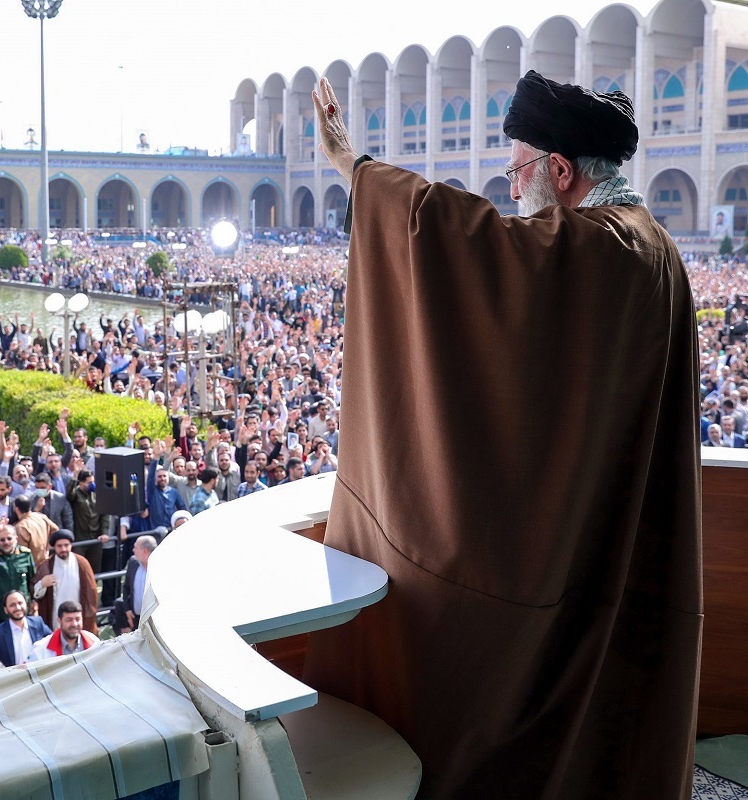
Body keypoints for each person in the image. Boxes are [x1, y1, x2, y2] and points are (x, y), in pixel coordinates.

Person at [302, 72, 701, 799]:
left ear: (560, 170)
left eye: (518, 170)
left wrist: (353, 167)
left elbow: (473, 246)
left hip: (578, 547)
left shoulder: (601, 248)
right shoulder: (652, 244)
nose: (511, 190)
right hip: (607, 527)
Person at [32, 530, 97, 634]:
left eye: (66, 545)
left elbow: (91, 592)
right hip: (56, 617)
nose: (63, 549)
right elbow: (36, 593)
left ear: (71, 545)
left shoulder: (82, 563)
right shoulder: (46, 566)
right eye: (59, 546)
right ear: (54, 547)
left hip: (77, 615)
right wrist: (42, 584)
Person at [0, 591, 51, 671]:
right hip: (12, 677)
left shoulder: (38, 623)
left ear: (26, 604)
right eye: (12, 605)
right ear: (6, 610)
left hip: (40, 674)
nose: (18, 607)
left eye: (20, 603)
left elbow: (53, 642)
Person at [28, 601, 101, 662]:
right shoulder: (40, 649)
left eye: (77, 619)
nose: (74, 624)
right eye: (69, 620)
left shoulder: (94, 642)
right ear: (59, 621)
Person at [112, 535, 155, 635]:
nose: (133, 550)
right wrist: (127, 609)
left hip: (153, 621)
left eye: (136, 547)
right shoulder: (133, 562)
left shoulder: (161, 568)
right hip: (134, 618)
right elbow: (126, 587)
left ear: (144, 551)